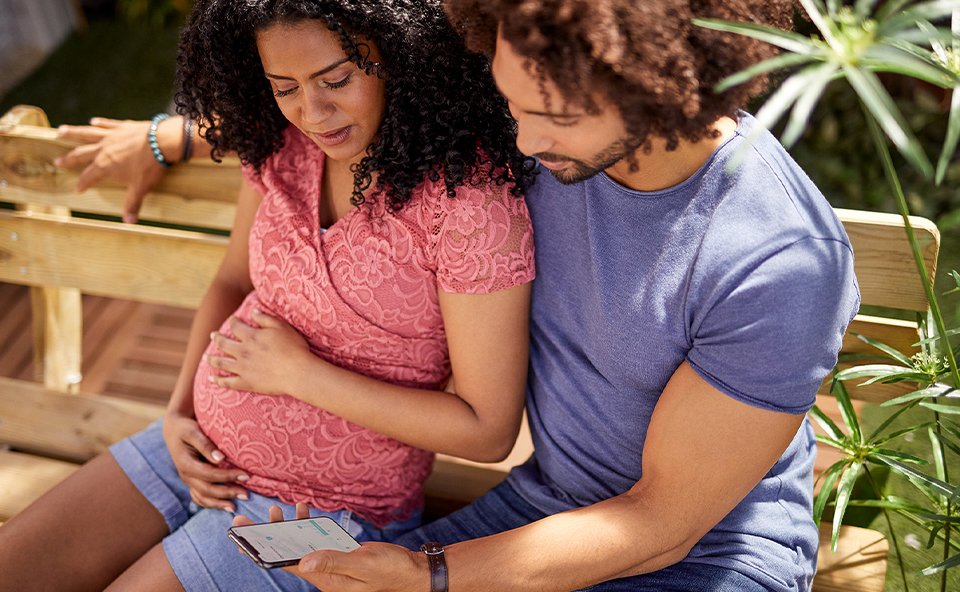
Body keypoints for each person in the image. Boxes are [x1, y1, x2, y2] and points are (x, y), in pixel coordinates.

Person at [234, 1, 859, 591]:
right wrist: (168, 140)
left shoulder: (783, 260)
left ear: (658, 84)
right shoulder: (546, 118)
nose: (524, 141)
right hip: (542, 504)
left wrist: (428, 575)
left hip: (705, 556)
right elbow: (353, 91)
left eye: (554, 117)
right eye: (511, 102)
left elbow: (663, 523)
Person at [0, 1, 537, 591]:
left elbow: (487, 430)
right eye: (285, 88)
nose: (314, 111)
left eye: (337, 79)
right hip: (196, 455)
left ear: (399, 54)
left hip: (322, 512)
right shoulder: (285, 143)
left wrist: (298, 375)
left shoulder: (467, 203)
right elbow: (234, 282)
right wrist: (181, 414)